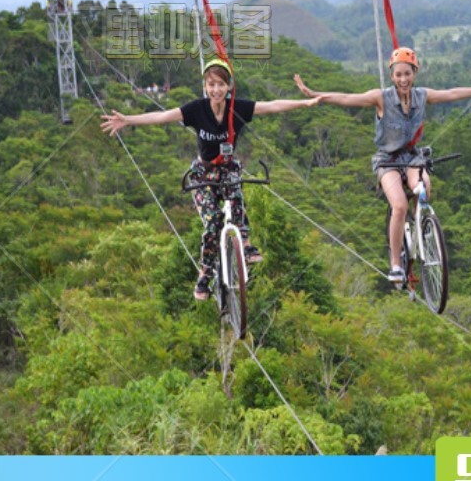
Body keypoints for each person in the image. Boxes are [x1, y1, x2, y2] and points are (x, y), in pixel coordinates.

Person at [101, 58, 320, 300]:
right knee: (213, 220)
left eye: (221, 85)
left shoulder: (237, 107)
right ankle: (205, 273)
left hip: (227, 169)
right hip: (202, 174)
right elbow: (162, 117)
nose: (216, 90)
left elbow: (273, 106)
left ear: (228, 87)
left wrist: (305, 103)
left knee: (235, 191)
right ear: (205, 86)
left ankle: (245, 244)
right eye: (211, 84)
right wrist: (128, 120)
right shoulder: (196, 109)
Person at [294, 47, 471, 282]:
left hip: (412, 157)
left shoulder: (422, 95)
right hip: (388, 161)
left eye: (408, 74)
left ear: (415, 73)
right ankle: (395, 263)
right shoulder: (381, 98)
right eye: (398, 74)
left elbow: (451, 93)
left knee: (423, 188)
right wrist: (316, 94)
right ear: (392, 76)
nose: (403, 79)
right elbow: (349, 99)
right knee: (399, 206)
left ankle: (421, 229)